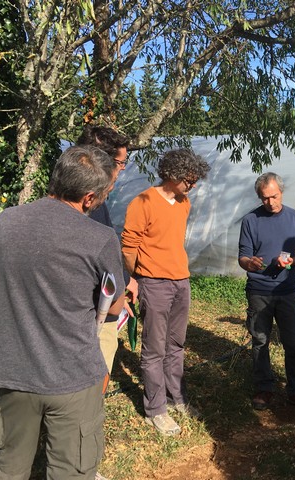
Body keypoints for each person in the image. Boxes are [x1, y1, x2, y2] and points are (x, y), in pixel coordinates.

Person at [0, 145, 126, 479]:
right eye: (105, 194)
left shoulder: (5, 222)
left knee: (9, 468)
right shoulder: (99, 236)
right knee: (72, 471)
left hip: (13, 373)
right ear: (89, 197)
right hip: (72, 375)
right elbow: (115, 305)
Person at [122, 148, 210, 436]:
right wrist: (134, 278)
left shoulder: (184, 202)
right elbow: (129, 246)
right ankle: (155, 409)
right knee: (154, 349)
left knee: (176, 345)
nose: (192, 185)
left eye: (195, 180)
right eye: (189, 179)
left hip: (181, 281)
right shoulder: (142, 202)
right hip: (154, 283)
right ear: (172, 174)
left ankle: (177, 398)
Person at [238, 172, 295, 412]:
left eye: (274, 196)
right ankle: (264, 387)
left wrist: (292, 261)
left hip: (286, 290)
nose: (270, 202)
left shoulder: (294, 218)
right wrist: (249, 263)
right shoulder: (250, 220)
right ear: (258, 197)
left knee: (293, 342)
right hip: (259, 291)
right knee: (260, 340)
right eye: (264, 198)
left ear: (281, 192)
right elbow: (242, 255)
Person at [76, 125, 138, 373]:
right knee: (95, 375)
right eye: (120, 163)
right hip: (94, 312)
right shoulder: (90, 203)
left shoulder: (69, 197)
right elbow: (102, 257)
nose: (121, 170)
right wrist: (123, 284)